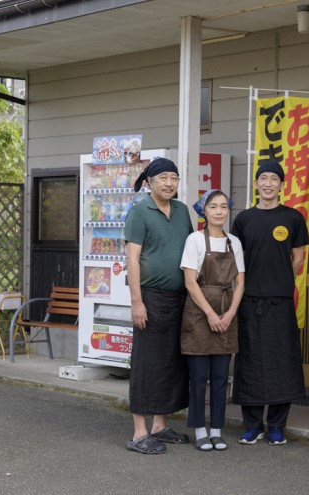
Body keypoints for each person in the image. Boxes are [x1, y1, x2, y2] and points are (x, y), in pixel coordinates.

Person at [230, 161, 309, 446]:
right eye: (262, 178)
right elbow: (235, 260)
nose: (267, 183)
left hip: (281, 300)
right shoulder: (243, 219)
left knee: (282, 363)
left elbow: (298, 256)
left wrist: (281, 277)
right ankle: (252, 425)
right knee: (250, 362)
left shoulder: (293, 217)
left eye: (273, 179)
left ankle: (277, 425)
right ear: (255, 183)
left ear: (281, 185)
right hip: (249, 300)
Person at [123, 157, 193, 455]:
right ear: (149, 181)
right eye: (163, 177)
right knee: (146, 364)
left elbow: (192, 252)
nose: (169, 183)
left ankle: (160, 425)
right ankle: (139, 433)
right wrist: (137, 302)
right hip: (150, 298)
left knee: (171, 363)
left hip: (180, 299)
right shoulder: (139, 213)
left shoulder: (181, 211)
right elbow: (133, 260)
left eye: (174, 178)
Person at [180, 189, 245, 452]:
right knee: (198, 377)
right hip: (199, 312)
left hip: (227, 309)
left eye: (223, 207)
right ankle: (199, 430)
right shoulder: (194, 240)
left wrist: (230, 314)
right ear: (203, 211)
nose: (219, 212)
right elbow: (189, 282)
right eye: (213, 207)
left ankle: (217, 430)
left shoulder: (235, 242)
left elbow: (240, 281)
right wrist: (209, 313)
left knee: (220, 377)